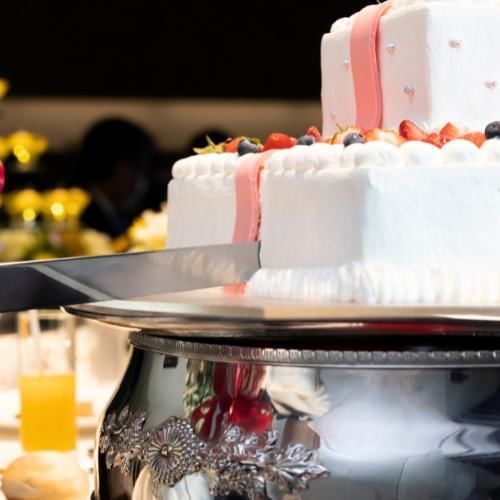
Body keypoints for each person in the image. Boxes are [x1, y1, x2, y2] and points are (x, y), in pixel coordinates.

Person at [77, 118, 158, 237]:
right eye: (139, 170)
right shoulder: (79, 216)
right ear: (122, 169)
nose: (142, 182)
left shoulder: (121, 213)